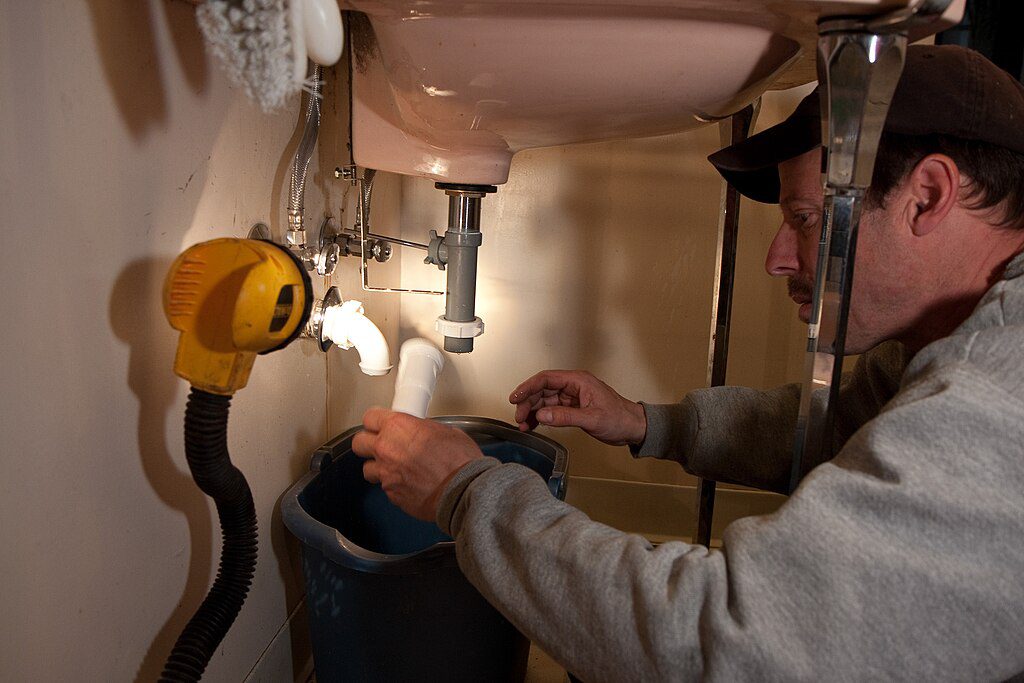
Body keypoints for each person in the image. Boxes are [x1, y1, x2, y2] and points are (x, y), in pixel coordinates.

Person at [353, 45, 1024, 680]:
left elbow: (728, 642)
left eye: (807, 217)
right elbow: (842, 424)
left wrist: (469, 493)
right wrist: (651, 423)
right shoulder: (950, 344)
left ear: (928, 196)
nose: (778, 258)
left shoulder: (996, 395)